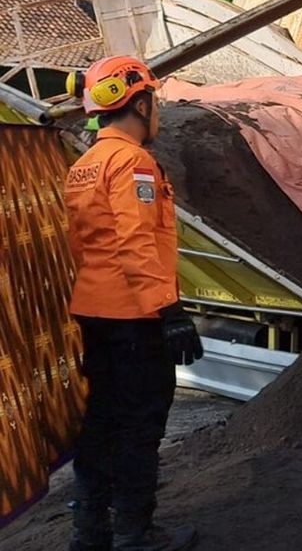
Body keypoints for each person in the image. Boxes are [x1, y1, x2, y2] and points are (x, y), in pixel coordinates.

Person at [63, 56, 204, 551]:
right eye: (154, 102)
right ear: (141, 104)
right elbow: (136, 242)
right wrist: (169, 311)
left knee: (102, 419)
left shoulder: (84, 165)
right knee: (140, 424)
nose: (156, 111)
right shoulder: (133, 162)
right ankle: (134, 534)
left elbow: (84, 245)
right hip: (134, 317)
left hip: (95, 309)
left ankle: (90, 533)